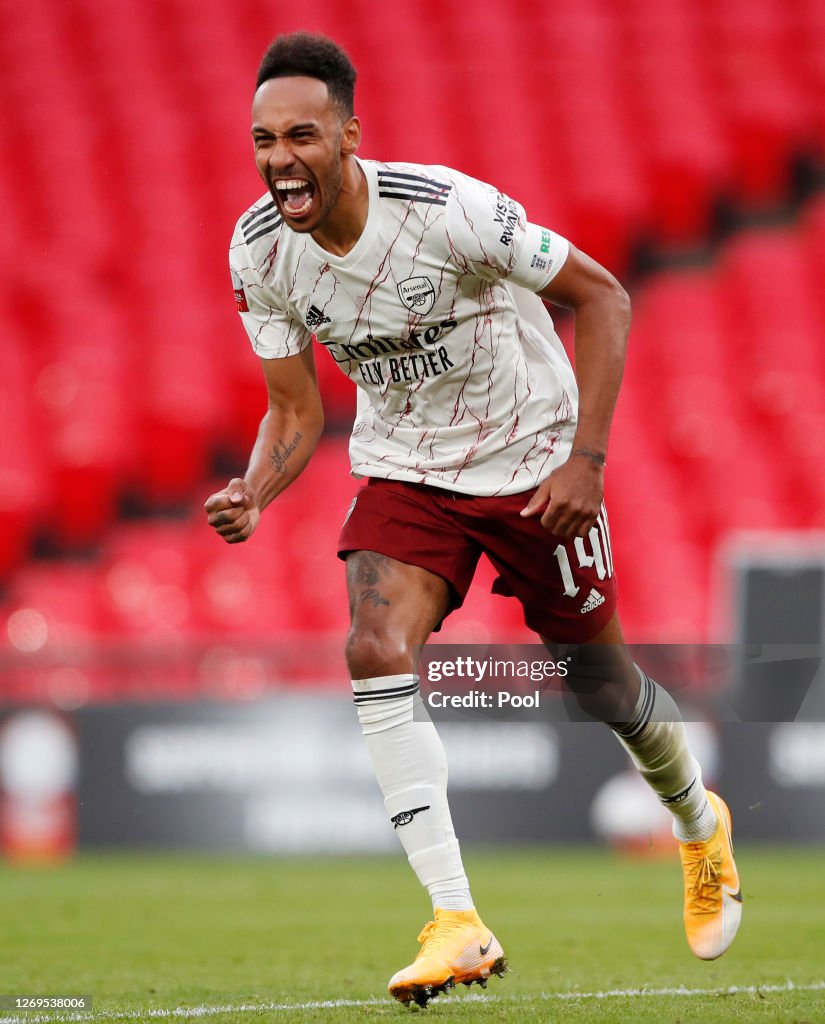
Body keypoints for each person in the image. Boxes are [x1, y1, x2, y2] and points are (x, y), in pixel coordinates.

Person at [205, 32, 742, 1008]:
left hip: (537, 463)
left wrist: (586, 459)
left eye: (301, 135)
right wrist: (254, 489)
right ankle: (455, 918)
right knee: (373, 645)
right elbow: (295, 411)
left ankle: (701, 824)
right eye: (263, 140)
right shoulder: (258, 249)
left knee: (606, 686)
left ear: (350, 136)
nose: (280, 157)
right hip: (408, 471)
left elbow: (603, 296)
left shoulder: (449, 210)